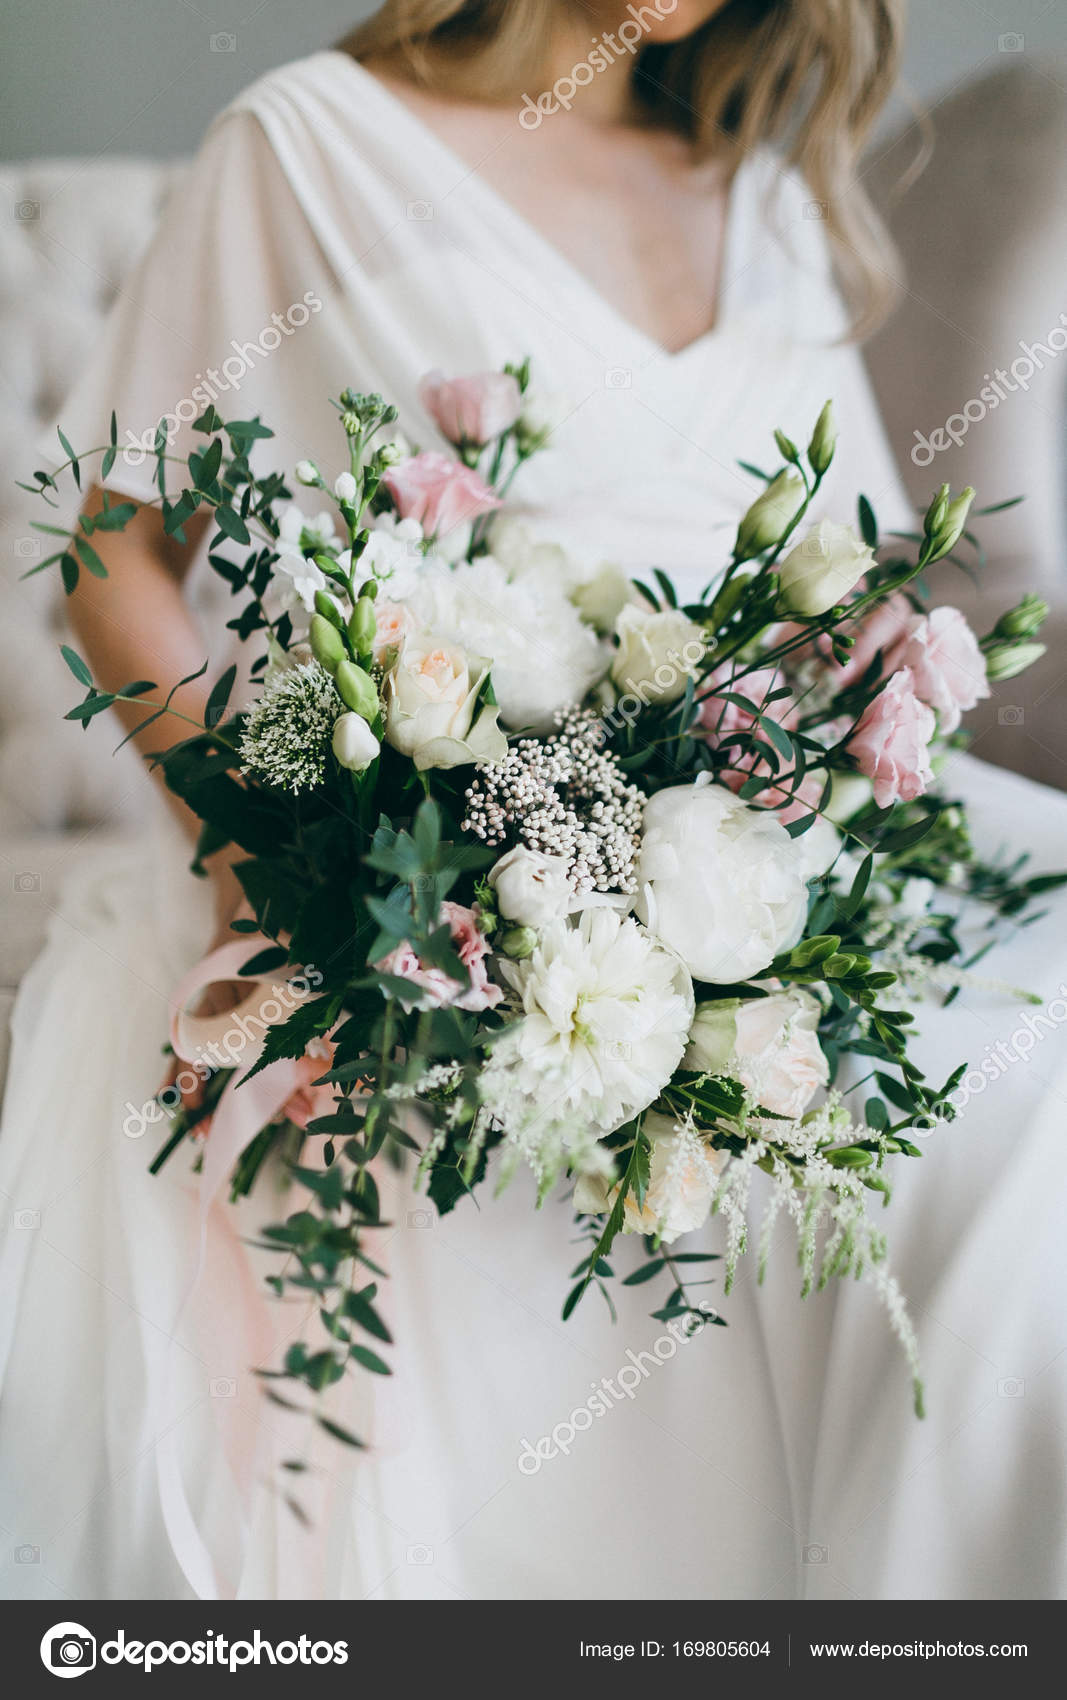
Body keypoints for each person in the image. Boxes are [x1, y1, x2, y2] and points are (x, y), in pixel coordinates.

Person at [2, 0, 1066, 1601]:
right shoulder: (306, 148)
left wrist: (856, 694)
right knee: (1012, 1126)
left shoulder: (760, 198)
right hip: (480, 889)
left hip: (783, 867)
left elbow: (841, 572)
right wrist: (258, 865)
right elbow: (111, 552)